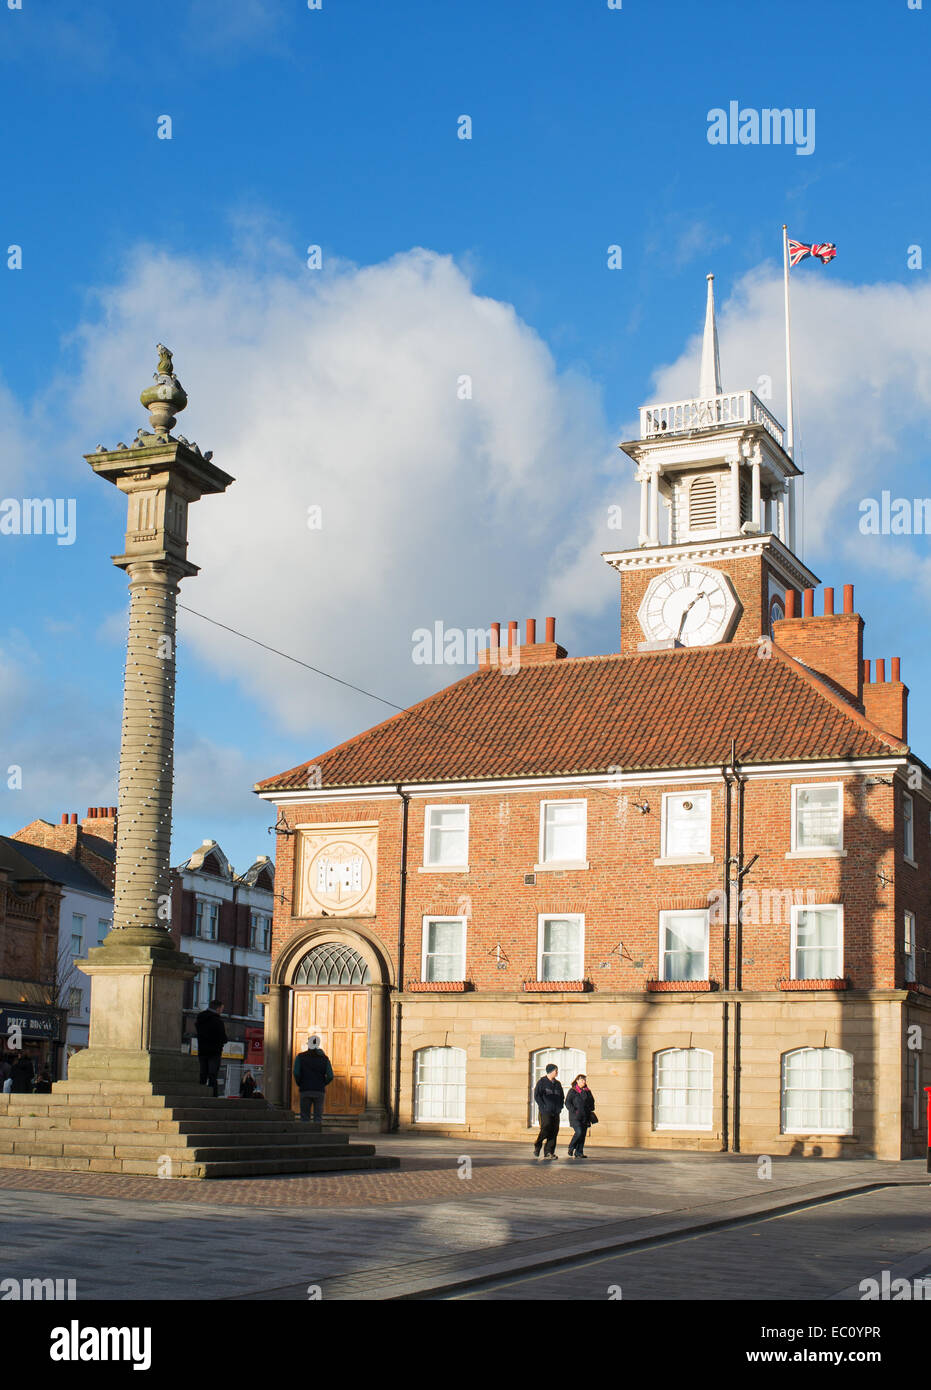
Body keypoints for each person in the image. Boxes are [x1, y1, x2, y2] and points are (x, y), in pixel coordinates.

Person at [292, 1035, 334, 1122]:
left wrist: (299, 1083)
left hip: (305, 1089)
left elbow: (296, 1073)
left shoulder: (300, 1057)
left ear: (308, 1044)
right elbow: (330, 1076)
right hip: (319, 1090)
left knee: (304, 1116)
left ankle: (305, 1134)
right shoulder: (324, 1059)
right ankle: (317, 1134)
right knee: (318, 1116)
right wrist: (323, 1083)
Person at [195, 998, 227, 1097]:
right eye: (222, 1009)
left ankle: (200, 1094)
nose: (222, 1011)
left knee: (203, 1074)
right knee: (213, 1075)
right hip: (214, 1051)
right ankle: (212, 1095)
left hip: (202, 1050)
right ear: (217, 1009)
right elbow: (223, 1038)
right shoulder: (218, 1021)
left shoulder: (200, 1018)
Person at [532, 1063, 565, 1160]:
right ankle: (538, 1144)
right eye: (556, 1070)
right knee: (546, 1129)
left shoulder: (557, 1084)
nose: (557, 1072)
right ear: (550, 1071)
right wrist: (543, 1106)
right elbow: (537, 1096)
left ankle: (549, 1152)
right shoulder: (542, 1082)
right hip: (545, 1111)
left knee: (554, 1131)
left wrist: (560, 1107)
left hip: (556, 1112)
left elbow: (561, 1096)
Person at [565, 1073, 596, 1158]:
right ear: (577, 1081)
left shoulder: (587, 1091)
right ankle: (571, 1146)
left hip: (585, 1116)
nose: (584, 1081)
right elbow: (567, 1102)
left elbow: (592, 1101)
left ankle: (579, 1152)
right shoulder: (573, 1091)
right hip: (575, 1117)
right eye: (582, 1080)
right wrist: (574, 1110)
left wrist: (591, 1108)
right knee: (579, 1132)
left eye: (585, 1080)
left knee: (583, 1134)